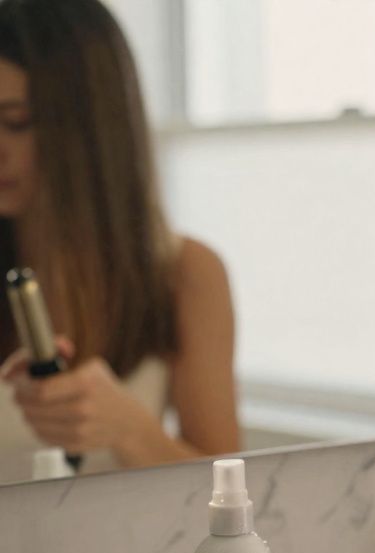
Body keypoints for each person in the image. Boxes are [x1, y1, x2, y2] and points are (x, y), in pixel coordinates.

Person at [0, 0, 238, 480]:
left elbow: (230, 493)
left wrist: (130, 430)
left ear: (90, 129)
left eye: (17, 122)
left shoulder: (186, 275)